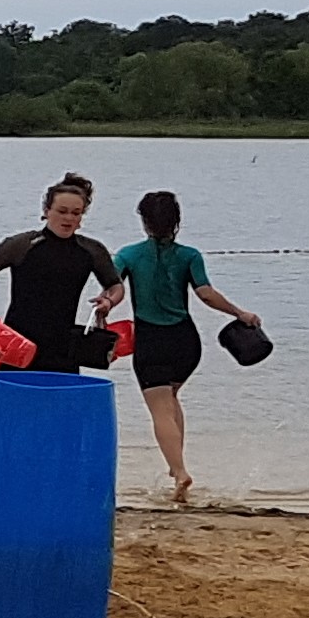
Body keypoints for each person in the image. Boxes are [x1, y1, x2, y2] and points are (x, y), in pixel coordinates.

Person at [110, 190, 263, 506]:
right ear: (176, 221)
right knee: (171, 399)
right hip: (186, 342)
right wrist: (240, 313)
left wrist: (105, 306)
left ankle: (179, 472)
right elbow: (205, 294)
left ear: (144, 221)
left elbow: (114, 288)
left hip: (151, 341)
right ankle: (174, 464)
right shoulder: (190, 255)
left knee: (160, 409)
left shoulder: (127, 255)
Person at [0, 173, 122, 374]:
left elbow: (115, 286)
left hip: (64, 347)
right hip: (16, 346)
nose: (68, 218)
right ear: (47, 211)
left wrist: (109, 302)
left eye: (76, 213)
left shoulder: (91, 250)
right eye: (62, 211)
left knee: (59, 403)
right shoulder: (22, 245)